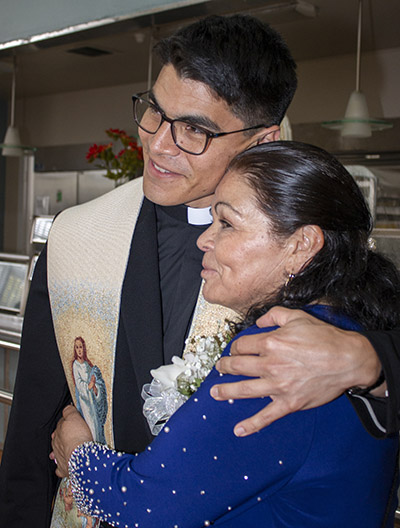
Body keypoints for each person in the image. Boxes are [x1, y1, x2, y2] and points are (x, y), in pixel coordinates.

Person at [0, 14, 398, 528]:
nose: (159, 144)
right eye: (155, 112)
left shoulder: (303, 249)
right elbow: (34, 418)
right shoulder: (76, 234)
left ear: (261, 139)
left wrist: (373, 361)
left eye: (195, 129)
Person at [51, 141, 400, 527]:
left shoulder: (278, 355)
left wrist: (78, 452)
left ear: (301, 246)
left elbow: (144, 507)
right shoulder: (351, 325)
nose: (205, 239)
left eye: (227, 223)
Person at [72, 337, 107, 444]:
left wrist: (95, 387)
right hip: (85, 402)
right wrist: (88, 386)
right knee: (90, 426)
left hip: (92, 401)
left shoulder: (87, 364)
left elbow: (94, 380)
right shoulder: (76, 365)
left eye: (81, 347)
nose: (79, 350)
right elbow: (79, 384)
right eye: (77, 347)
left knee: (96, 426)